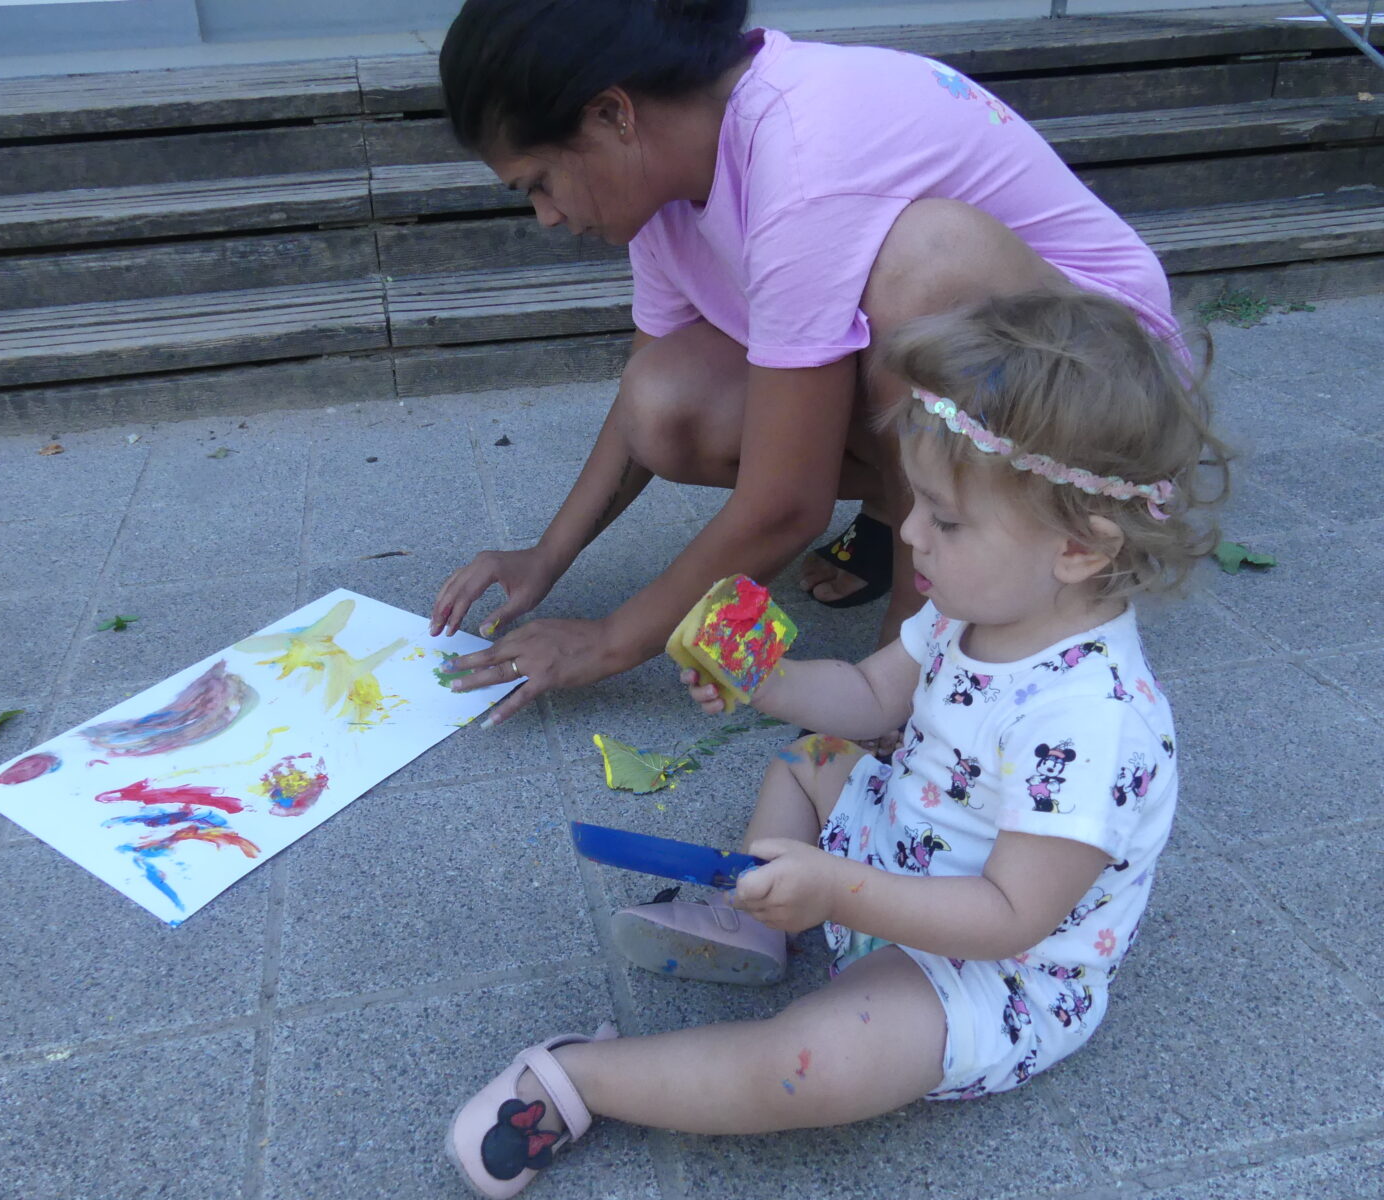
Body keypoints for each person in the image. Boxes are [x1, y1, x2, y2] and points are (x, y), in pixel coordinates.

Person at [443, 290, 1228, 1197]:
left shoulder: (1092, 721)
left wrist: (836, 888)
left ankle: (580, 1078)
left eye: (947, 518)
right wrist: (765, 682)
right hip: (908, 841)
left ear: (1081, 549)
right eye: (916, 503)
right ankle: (748, 920)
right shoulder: (976, 606)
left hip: (985, 965)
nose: (909, 533)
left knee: (811, 1064)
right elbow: (865, 694)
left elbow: (1013, 914)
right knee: (812, 756)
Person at [431, 0, 1186, 729]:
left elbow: (787, 505)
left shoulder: (801, 153)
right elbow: (642, 409)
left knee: (924, 263)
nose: (547, 215)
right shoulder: (660, 190)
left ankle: (922, 632)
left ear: (612, 114)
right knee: (664, 399)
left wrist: (610, 640)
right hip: (971, 387)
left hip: (1106, 394)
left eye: (538, 182)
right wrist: (546, 556)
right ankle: (918, 514)